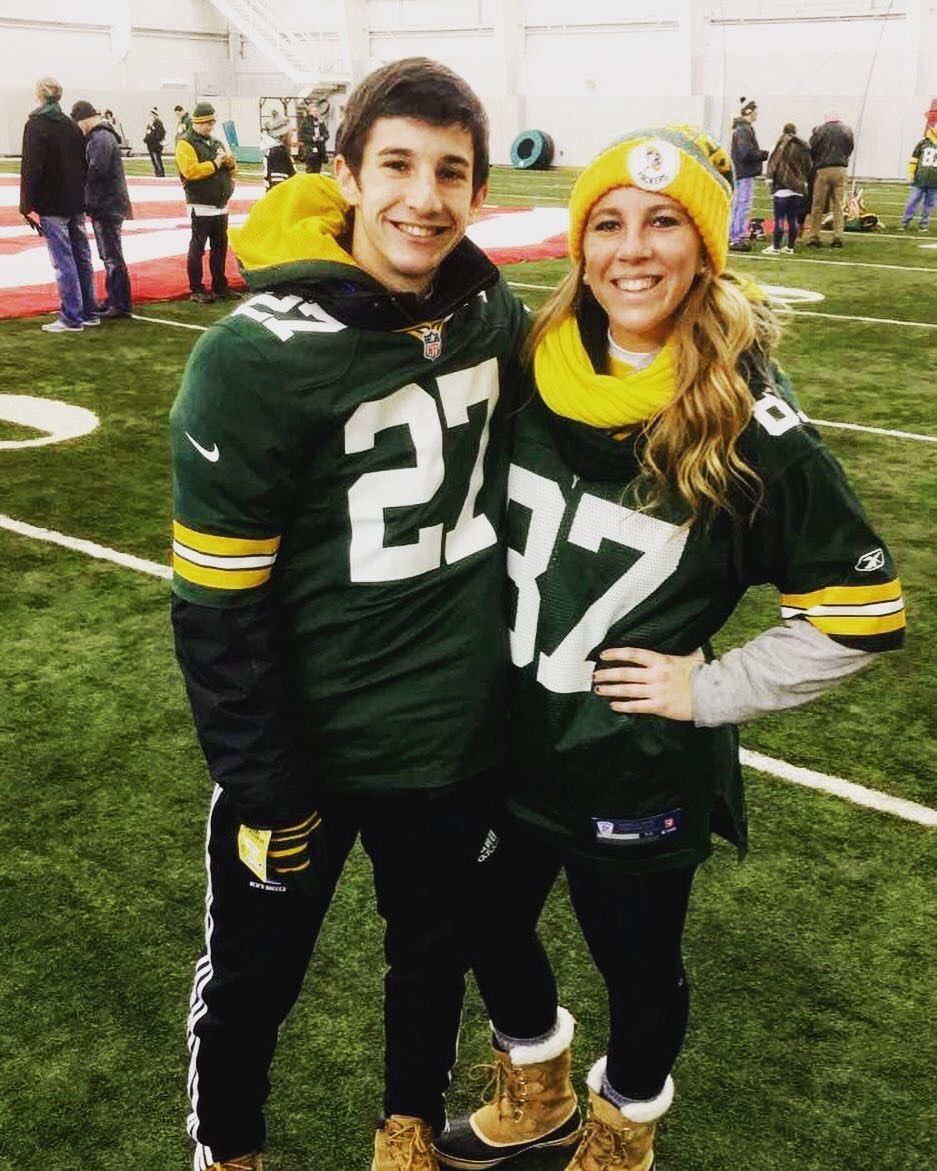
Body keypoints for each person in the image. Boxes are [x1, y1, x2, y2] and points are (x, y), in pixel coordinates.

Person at [434, 125, 906, 1171]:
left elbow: (862, 611)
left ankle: (624, 1127)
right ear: (580, 245)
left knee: (636, 965)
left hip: (629, 759)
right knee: (477, 919)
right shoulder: (528, 366)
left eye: (662, 223)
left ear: (703, 246)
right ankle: (538, 1085)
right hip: (505, 735)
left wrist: (709, 688)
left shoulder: (751, 418)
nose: (632, 249)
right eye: (607, 224)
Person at [169, 57, 528, 1171]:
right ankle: (228, 1151)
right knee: (255, 976)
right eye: (398, 166)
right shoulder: (251, 356)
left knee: (431, 958)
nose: (424, 196)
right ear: (346, 176)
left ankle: (406, 1133)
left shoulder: (490, 311)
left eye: (450, 172)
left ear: (479, 190)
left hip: (451, 736)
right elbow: (215, 607)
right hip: (307, 747)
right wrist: (261, 778)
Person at [18, 75, 98, 333]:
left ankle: (72, 316)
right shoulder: (70, 125)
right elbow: (83, 163)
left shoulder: (36, 125)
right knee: (82, 256)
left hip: (52, 203)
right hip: (74, 201)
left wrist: (25, 204)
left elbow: (32, 167)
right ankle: (89, 311)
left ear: (39, 95)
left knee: (63, 260)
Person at [70, 100, 133, 320]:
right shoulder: (104, 136)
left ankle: (120, 303)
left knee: (111, 256)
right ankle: (114, 298)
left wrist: (79, 184)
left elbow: (97, 171)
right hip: (109, 203)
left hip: (106, 204)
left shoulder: (99, 138)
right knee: (110, 255)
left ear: (84, 119)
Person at [175, 101, 238, 303]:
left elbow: (231, 169)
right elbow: (190, 171)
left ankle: (220, 286)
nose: (210, 127)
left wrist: (230, 164)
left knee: (220, 248)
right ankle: (197, 288)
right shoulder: (185, 144)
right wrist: (215, 163)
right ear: (197, 122)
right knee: (198, 248)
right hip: (201, 205)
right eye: (207, 123)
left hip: (220, 206)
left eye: (212, 123)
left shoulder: (216, 142)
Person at [805, 111, 854, 248]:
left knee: (818, 205)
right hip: (840, 169)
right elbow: (850, 148)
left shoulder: (820, 130)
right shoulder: (847, 130)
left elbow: (812, 147)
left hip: (823, 170)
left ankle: (814, 236)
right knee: (838, 205)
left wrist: (816, 161)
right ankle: (838, 236)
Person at [763, 121, 811, 253]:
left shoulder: (781, 144)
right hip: (798, 187)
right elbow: (808, 166)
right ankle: (790, 247)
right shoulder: (803, 147)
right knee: (793, 219)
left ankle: (776, 246)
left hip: (782, 186)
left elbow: (773, 162)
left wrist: (769, 178)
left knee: (779, 218)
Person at [728, 97, 767, 251]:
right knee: (742, 205)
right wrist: (762, 154)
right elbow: (746, 153)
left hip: (740, 171)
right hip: (744, 172)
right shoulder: (744, 129)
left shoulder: (740, 128)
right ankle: (736, 237)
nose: (757, 114)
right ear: (749, 111)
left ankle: (733, 235)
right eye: (755, 111)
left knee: (738, 205)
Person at [899, 122, 937, 231]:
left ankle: (923, 224)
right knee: (912, 201)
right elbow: (914, 159)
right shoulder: (923, 142)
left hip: (935, 181)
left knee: (929, 204)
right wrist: (911, 173)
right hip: (920, 179)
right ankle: (905, 222)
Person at [260, 110, 295, 188]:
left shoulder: (276, 150)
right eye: (290, 132)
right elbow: (278, 185)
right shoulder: (278, 153)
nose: (292, 134)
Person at [298, 103, 329, 172]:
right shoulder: (305, 122)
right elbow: (301, 136)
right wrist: (312, 138)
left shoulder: (321, 122)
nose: (316, 113)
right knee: (310, 169)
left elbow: (326, 134)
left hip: (320, 149)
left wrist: (322, 138)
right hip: (309, 149)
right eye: (314, 111)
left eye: (317, 111)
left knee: (318, 169)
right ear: (309, 112)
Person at [143, 106, 166, 176]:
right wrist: (146, 139)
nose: (150, 116)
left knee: (157, 160)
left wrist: (152, 138)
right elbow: (148, 133)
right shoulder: (150, 124)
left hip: (155, 146)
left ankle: (160, 173)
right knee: (154, 160)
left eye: (151, 114)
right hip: (150, 145)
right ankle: (157, 173)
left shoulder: (158, 123)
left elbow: (159, 134)